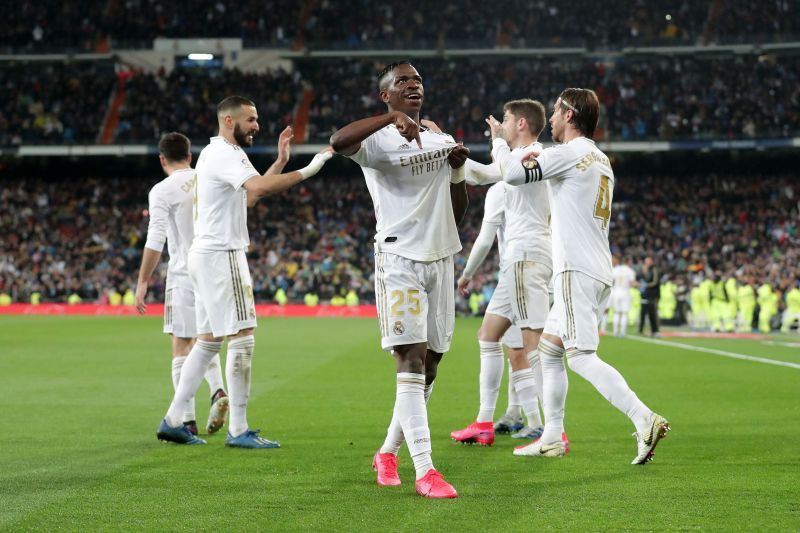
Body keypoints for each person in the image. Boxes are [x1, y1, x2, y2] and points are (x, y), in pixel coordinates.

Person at [485, 87, 669, 464]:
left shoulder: (567, 154)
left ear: (569, 115)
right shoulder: (601, 159)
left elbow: (512, 176)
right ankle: (552, 436)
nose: (549, 119)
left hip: (574, 269)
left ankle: (644, 417)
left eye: (554, 112)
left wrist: (501, 143)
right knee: (550, 351)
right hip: (598, 268)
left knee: (581, 356)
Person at [156, 95, 333, 447]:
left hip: (205, 254)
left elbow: (250, 196)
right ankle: (238, 428)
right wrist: (310, 169)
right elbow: (259, 189)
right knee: (243, 333)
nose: (257, 125)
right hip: (222, 253)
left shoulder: (220, 153)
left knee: (208, 340)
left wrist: (280, 161)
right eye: (250, 119)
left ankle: (174, 419)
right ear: (228, 120)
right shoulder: (224, 153)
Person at [330, 61, 469, 499]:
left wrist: (460, 170)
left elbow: (457, 212)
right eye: (403, 82)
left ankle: (388, 451)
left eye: (418, 80)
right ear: (385, 95)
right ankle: (425, 470)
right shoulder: (378, 140)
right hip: (399, 260)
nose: (414, 85)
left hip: (441, 258)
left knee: (431, 364)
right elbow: (337, 142)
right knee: (410, 359)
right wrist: (392, 120)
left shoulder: (440, 137)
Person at [450, 99, 552, 445]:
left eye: (506, 120)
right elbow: (488, 172)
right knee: (492, 336)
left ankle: (551, 426)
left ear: (521, 123)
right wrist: (452, 155)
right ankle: (490, 420)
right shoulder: (529, 163)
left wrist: (493, 141)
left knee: (533, 346)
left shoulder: (530, 160)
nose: (502, 125)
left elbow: (498, 172)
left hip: (526, 258)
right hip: (521, 263)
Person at [136, 132, 228, 436]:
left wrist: (142, 281)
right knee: (207, 339)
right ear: (190, 156)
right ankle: (218, 390)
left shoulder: (162, 190)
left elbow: (155, 238)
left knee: (181, 345)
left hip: (183, 271)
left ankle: (185, 421)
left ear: (162, 159)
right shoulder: (206, 179)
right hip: (213, 267)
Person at [610, 256, 638, 337]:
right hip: (625, 293)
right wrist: (638, 284)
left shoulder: (615, 269)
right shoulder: (630, 271)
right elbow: (632, 283)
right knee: (624, 313)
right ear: (628, 261)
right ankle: (622, 332)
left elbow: (611, 280)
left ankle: (615, 332)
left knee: (616, 313)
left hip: (616, 292)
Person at [638, 256, 660, 336]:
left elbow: (655, 281)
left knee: (653, 313)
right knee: (650, 313)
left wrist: (646, 285)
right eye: (645, 261)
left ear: (651, 262)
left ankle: (656, 330)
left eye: (647, 261)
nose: (646, 263)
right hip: (649, 294)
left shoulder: (654, 269)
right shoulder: (649, 270)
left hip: (654, 294)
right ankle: (653, 330)